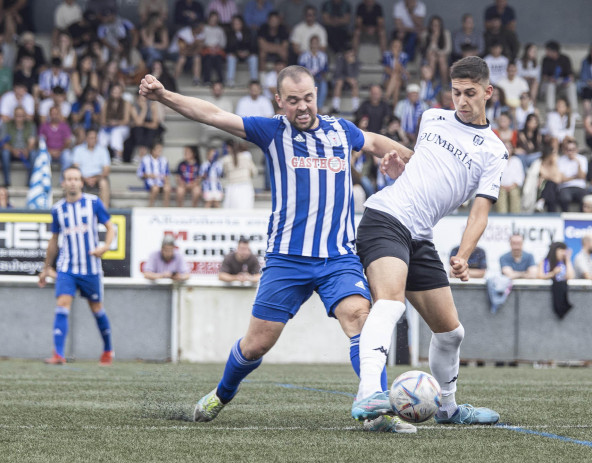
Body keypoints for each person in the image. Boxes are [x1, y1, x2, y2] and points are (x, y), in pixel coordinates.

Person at [139, 64, 415, 432]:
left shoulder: (340, 130)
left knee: (362, 321)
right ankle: (222, 393)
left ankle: (379, 412)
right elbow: (214, 114)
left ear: (317, 94)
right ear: (279, 101)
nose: (303, 107)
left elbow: (377, 143)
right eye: (294, 101)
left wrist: (413, 162)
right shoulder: (272, 131)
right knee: (256, 345)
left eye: (309, 98)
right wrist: (164, 96)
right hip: (287, 260)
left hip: (338, 257)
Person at [351, 56, 504, 428]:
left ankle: (448, 410)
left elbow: (479, 212)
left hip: (420, 237)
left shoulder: (494, 151)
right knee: (389, 304)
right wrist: (400, 168)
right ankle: (370, 392)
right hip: (385, 219)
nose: (462, 101)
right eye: (456, 92)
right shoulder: (432, 117)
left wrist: (464, 255)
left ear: (488, 92)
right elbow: (425, 164)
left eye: (470, 93)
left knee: (452, 333)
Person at [37, 166, 115, 366]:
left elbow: (110, 227)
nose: (72, 182)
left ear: (81, 182)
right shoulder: (58, 209)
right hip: (67, 268)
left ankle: (107, 350)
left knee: (97, 308)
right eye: (68, 178)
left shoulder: (93, 203)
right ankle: (59, 355)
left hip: (91, 268)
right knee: (62, 304)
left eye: (76, 178)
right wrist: (46, 267)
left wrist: (104, 247)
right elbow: (54, 240)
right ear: (63, 183)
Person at [72, 128, 112, 207]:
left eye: (94, 138)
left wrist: (95, 179)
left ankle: (104, 210)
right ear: (86, 138)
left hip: (98, 178)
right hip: (82, 177)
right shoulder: (78, 150)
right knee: (74, 181)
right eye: (91, 138)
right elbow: (75, 168)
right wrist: (84, 178)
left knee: (104, 182)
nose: (93, 140)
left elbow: (106, 170)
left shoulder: (103, 150)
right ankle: (75, 208)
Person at [540, 40, 577, 112]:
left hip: (562, 83)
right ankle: (550, 110)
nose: (546, 52)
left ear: (554, 51)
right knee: (550, 85)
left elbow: (571, 75)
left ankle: (574, 111)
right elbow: (544, 77)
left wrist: (568, 81)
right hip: (549, 83)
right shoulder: (545, 60)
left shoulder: (565, 59)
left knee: (572, 86)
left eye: (548, 50)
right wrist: (550, 79)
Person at [221, 140, 257, 209]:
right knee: (246, 210)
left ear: (228, 148)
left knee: (232, 212)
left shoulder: (225, 160)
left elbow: (225, 174)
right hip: (246, 187)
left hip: (233, 187)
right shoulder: (246, 157)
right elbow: (254, 172)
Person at [225, 15, 259, 87]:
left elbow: (253, 46)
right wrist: (237, 53)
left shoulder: (248, 32)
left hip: (247, 55)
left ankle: (254, 80)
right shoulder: (229, 34)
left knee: (254, 58)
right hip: (235, 55)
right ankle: (230, 80)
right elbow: (228, 48)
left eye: (238, 23)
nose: (236, 25)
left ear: (242, 24)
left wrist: (248, 52)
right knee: (230, 57)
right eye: (235, 24)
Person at [556, 138, 587, 212]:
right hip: (565, 187)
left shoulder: (582, 159)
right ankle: (565, 217)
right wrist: (575, 177)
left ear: (577, 150)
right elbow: (561, 179)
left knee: (585, 199)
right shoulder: (560, 160)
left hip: (580, 187)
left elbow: (582, 176)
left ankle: (581, 219)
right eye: (568, 150)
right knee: (564, 198)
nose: (570, 152)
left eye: (573, 149)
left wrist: (578, 164)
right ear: (565, 150)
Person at [137, 141, 171, 207]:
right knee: (155, 188)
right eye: (158, 149)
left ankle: (166, 208)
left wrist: (166, 181)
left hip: (161, 182)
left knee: (167, 188)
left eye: (160, 150)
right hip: (150, 182)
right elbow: (139, 173)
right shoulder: (145, 159)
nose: (159, 151)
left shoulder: (164, 160)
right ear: (153, 150)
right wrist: (149, 175)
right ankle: (150, 206)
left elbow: (167, 173)